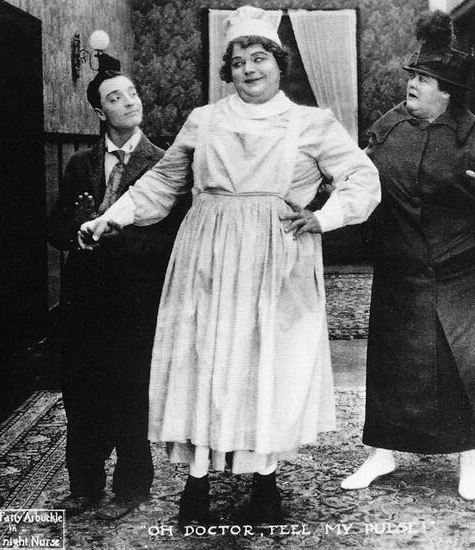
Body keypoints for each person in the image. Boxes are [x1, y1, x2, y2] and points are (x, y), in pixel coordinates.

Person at [79, 5, 380, 527]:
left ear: (278, 64)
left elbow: (363, 179)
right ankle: (196, 482)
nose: (248, 69)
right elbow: (163, 182)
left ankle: (265, 481)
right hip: (207, 256)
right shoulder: (205, 119)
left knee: (265, 366)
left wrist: (323, 218)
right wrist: (112, 217)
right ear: (228, 70)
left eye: (259, 58)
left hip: (276, 261)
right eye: (238, 62)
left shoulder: (312, 123)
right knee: (205, 362)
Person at [340, 11, 475, 500]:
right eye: (412, 76)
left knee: (458, 367)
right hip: (402, 267)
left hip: (462, 270)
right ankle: (382, 454)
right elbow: (360, 175)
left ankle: (468, 461)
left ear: (446, 92)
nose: (412, 85)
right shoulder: (389, 126)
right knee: (393, 364)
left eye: (423, 80)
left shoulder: (472, 133)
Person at [47, 70, 187, 519]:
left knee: (131, 392)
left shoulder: (165, 163)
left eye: (132, 93)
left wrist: (116, 237)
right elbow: (56, 227)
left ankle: (131, 488)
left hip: (137, 300)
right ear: (99, 110)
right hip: (85, 302)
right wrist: (78, 231)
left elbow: (174, 239)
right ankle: (83, 487)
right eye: (115, 97)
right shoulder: (79, 164)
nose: (129, 102)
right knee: (82, 392)